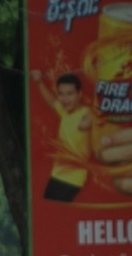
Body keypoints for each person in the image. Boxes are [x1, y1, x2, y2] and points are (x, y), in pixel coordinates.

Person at [31, 71, 93, 201]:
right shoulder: (64, 112)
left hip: (73, 179)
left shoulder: (87, 113)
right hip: (57, 175)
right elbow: (52, 101)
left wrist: (87, 123)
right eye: (61, 94)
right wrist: (39, 82)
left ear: (79, 94)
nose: (65, 99)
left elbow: (93, 120)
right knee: (47, 214)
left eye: (70, 94)